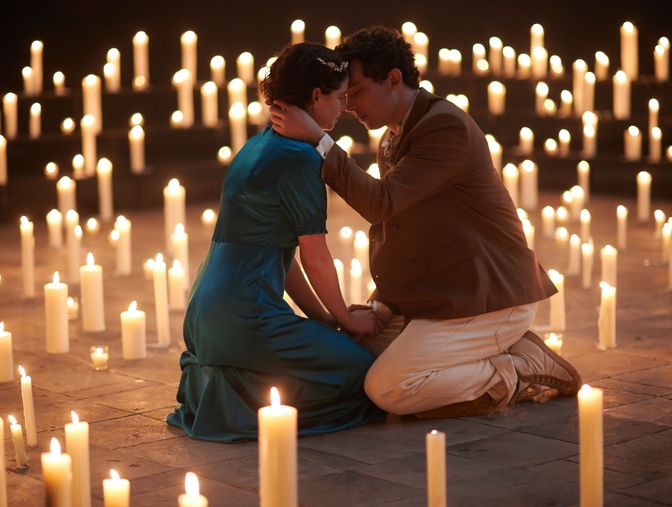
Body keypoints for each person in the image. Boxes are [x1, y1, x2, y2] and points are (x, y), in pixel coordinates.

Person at [270, 26, 582, 418]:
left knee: (388, 389)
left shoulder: (444, 126)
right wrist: (382, 307)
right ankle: (503, 353)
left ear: (393, 79)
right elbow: (404, 231)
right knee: (356, 355)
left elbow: (382, 204)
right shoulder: (394, 135)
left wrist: (320, 141)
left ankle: (518, 368)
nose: (348, 105)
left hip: (488, 297)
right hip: (441, 294)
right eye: (344, 94)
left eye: (358, 90)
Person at [167, 42, 386, 441]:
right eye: (338, 98)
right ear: (316, 95)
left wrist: (322, 319)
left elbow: (279, 258)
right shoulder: (299, 159)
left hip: (204, 311)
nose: (343, 109)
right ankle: (238, 405)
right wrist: (346, 318)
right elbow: (314, 257)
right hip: (245, 314)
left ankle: (226, 386)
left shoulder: (257, 146)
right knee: (362, 372)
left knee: (320, 357)